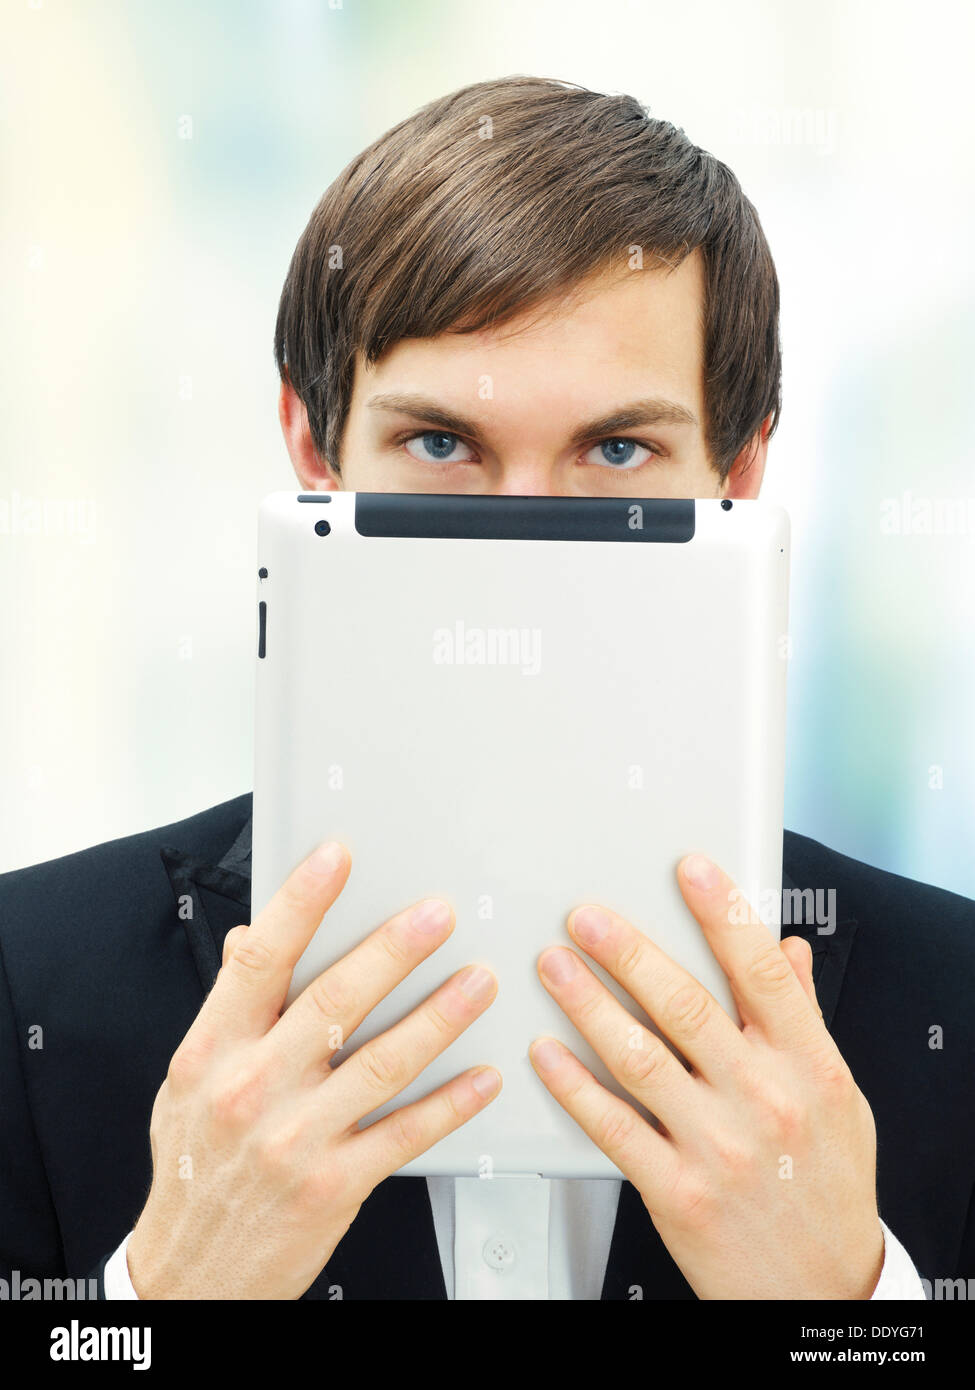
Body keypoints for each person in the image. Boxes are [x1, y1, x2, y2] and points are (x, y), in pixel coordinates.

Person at [1, 76, 971, 1302]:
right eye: (442, 443)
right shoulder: (24, 981)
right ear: (315, 453)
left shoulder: (953, 1002)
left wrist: (853, 1309)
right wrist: (163, 1296)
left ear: (740, 474)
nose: (522, 546)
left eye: (617, 450)